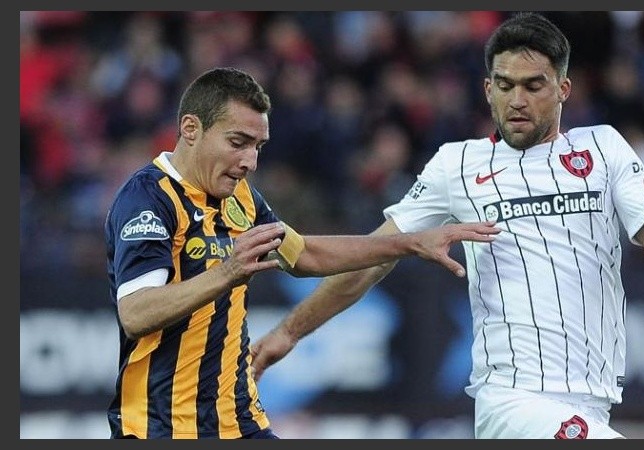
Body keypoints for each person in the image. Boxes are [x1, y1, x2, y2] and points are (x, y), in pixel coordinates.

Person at [251, 12, 644, 439]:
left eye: (533, 85)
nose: (517, 100)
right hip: (513, 402)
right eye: (504, 85)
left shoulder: (603, 148)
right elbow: (373, 258)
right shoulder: (459, 164)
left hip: (592, 403)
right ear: (488, 89)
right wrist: (288, 332)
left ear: (563, 88)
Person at [103, 66, 500, 439]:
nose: (249, 162)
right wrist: (227, 271)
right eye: (238, 143)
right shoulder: (146, 199)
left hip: (237, 418)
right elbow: (136, 313)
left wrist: (410, 243)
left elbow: (305, 254)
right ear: (191, 129)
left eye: (258, 146)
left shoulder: (241, 198)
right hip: (161, 423)